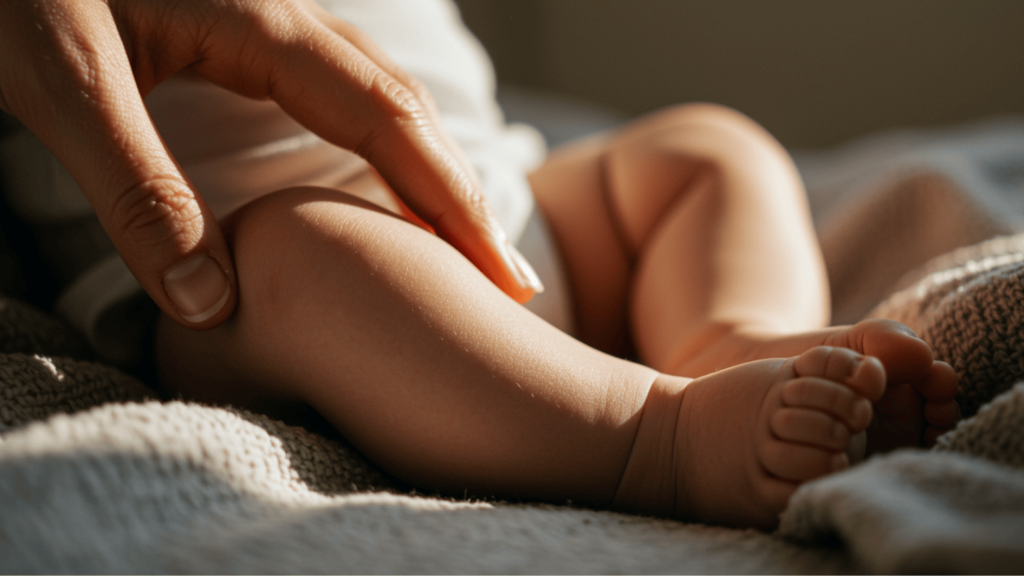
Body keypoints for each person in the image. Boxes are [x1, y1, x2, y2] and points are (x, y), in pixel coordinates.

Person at [1, 0, 959, 529]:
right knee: (319, 251)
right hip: (221, 275)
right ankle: (659, 434)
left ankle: (722, 339)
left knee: (709, 151)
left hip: (507, 198)